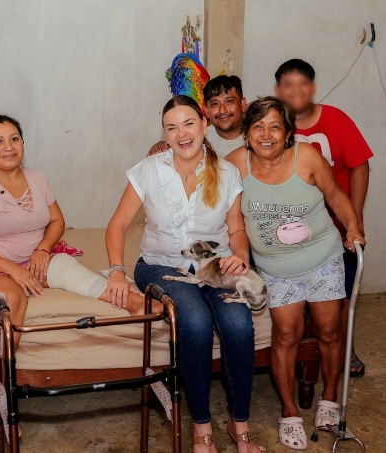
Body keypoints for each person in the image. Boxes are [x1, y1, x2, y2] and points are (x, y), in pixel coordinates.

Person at [0, 114, 155, 430]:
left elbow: (57, 221)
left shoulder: (35, 177)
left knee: (70, 270)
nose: (8, 146)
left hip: (31, 259)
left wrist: (43, 249)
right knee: (12, 298)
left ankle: (133, 302)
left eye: (14, 139)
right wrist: (12, 271)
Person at [107, 95, 264, 453]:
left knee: (239, 324)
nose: (182, 134)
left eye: (189, 123)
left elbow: (236, 229)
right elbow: (117, 226)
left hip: (215, 266)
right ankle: (201, 425)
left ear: (204, 124)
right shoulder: (149, 169)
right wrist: (116, 270)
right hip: (159, 265)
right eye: (172, 127)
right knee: (194, 320)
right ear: (165, 133)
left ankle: (240, 423)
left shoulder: (227, 173)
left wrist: (241, 256)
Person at [227, 97, 366, 450]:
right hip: (275, 269)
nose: (266, 135)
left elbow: (336, 196)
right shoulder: (236, 164)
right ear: (247, 133)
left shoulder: (307, 158)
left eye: (275, 127)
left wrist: (352, 226)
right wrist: (164, 151)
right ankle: (288, 410)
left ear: (289, 132)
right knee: (287, 334)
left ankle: (329, 398)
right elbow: (202, 173)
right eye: (258, 127)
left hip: (323, 259)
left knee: (329, 331)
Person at [275, 59, 373, 377]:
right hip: (295, 228)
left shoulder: (336, 119)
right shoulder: (275, 124)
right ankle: (306, 349)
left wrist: (354, 216)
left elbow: (360, 166)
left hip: (336, 224)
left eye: (302, 83)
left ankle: (345, 348)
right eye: (288, 84)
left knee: (340, 292)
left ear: (313, 87)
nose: (296, 90)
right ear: (278, 90)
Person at [149, 75, 247, 157]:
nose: (222, 110)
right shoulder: (197, 139)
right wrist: (162, 147)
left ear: (243, 104)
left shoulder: (254, 137)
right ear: (206, 111)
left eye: (229, 101)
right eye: (215, 104)